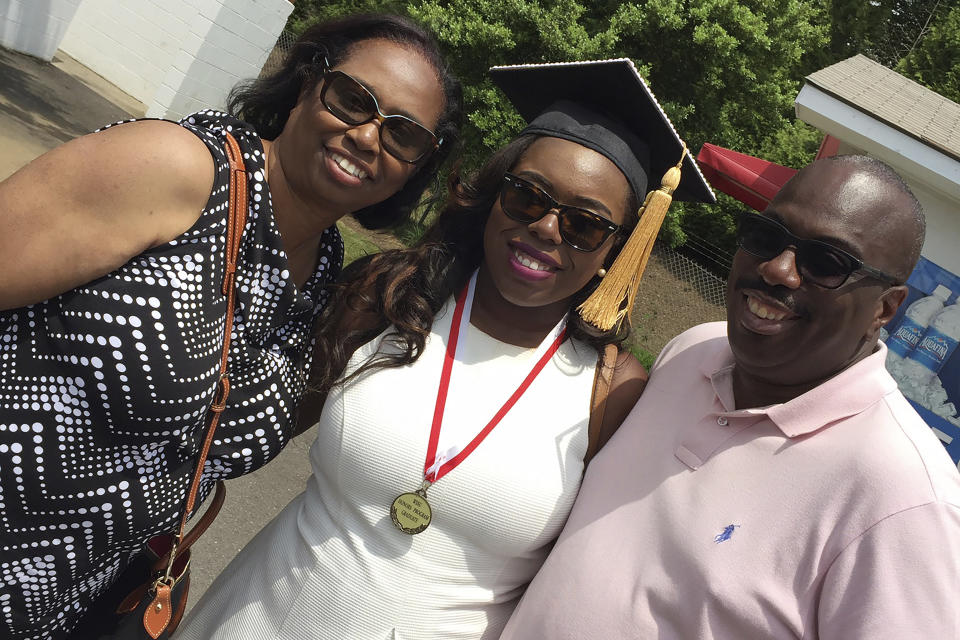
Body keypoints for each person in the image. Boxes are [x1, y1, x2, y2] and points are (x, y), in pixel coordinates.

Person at [177, 58, 715, 639]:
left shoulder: (613, 391)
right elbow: (236, 436)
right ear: (494, 194)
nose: (546, 229)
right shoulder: (388, 294)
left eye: (585, 224)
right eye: (529, 196)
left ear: (617, 250)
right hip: (252, 620)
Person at [0, 13, 462, 640]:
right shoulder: (181, 170)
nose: (367, 135)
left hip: (56, 606)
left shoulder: (325, 278)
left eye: (404, 135)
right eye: (353, 100)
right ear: (305, 83)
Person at [499, 155, 960, 639]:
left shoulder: (907, 501)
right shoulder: (692, 350)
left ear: (885, 308)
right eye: (766, 237)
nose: (779, 269)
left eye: (826, 263)